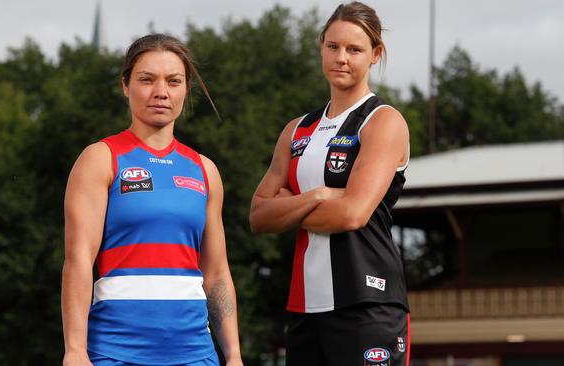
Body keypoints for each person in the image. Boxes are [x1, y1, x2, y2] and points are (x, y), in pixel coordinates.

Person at [61, 34, 242, 366]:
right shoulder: (101, 159)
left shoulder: (205, 170)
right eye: (147, 80)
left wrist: (233, 356)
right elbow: (78, 260)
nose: (161, 92)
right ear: (125, 85)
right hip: (115, 352)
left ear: (186, 89)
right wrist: (75, 350)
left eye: (173, 81)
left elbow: (215, 274)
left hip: (195, 354)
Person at [249, 2, 410, 366]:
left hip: (368, 301)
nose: (341, 57)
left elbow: (352, 214)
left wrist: (289, 207)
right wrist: (320, 195)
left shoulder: (383, 121)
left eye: (355, 49)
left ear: (375, 55)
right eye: (333, 46)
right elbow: (258, 216)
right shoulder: (296, 130)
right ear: (321, 46)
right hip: (305, 305)